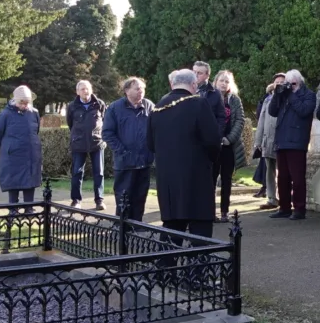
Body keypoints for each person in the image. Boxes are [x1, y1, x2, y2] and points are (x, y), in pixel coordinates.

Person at [148, 69, 221, 239]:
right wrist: (210, 161)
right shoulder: (199, 104)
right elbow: (212, 140)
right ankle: (197, 264)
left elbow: (150, 144)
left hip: (167, 178)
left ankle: (167, 263)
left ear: (173, 84)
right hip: (195, 176)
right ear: (194, 84)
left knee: (172, 228)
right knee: (199, 228)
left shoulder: (158, 107)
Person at [102, 77, 155, 221]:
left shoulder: (149, 106)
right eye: (137, 88)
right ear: (126, 90)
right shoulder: (114, 108)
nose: (141, 92)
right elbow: (107, 133)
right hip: (125, 162)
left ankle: (137, 226)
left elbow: (156, 130)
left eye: (143, 89)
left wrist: (152, 151)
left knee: (140, 196)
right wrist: (122, 151)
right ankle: (122, 226)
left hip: (144, 161)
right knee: (124, 196)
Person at [268, 69, 316, 220]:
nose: (290, 86)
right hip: (282, 140)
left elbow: (304, 110)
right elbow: (272, 111)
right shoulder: (283, 95)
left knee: (297, 177)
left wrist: (291, 95)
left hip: (297, 141)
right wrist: (277, 94)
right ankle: (284, 207)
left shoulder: (309, 95)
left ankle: (299, 209)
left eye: (292, 83)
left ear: (299, 82)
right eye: (288, 84)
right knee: (282, 177)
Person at [0, 86, 42, 213]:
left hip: (30, 153)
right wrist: (9, 146)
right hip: (12, 154)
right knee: (13, 181)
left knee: (30, 181)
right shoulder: (5, 114)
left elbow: (35, 131)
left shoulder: (34, 113)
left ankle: (29, 207)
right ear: (15, 100)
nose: (25, 105)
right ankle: (13, 208)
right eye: (22, 102)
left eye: (27, 102)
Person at [66, 80, 106, 209]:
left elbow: (104, 121)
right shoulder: (72, 106)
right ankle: (76, 200)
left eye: (87, 88)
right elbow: (70, 124)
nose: (85, 91)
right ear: (77, 92)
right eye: (82, 89)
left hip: (96, 142)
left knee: (98, 172)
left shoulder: (99, 104)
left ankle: (99, 200)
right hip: (78, 143)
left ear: (91, 89)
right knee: (77, 172)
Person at [214, 70, 246, 223]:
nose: (224, 83)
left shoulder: (235, 100)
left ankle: (224, 212)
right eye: (221, 80)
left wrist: (229, 139)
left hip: (229, 146)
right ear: (216, 81)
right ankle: (209, 211)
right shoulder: (210, 97)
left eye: (227, 81)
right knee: (210, 179)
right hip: (213, 145)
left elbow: (240, 121)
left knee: (226, 179)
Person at [254, 75, 284, 210]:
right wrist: (258, 141)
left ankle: (284, 198)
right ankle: (272, 198)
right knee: (269, 171)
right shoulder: (267, 100)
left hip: (282, 141)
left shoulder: (287, 99)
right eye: (277, 82)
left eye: (281, 82)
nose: (278, 84)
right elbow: (261, 121)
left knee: (283, 171)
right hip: (267, 140)